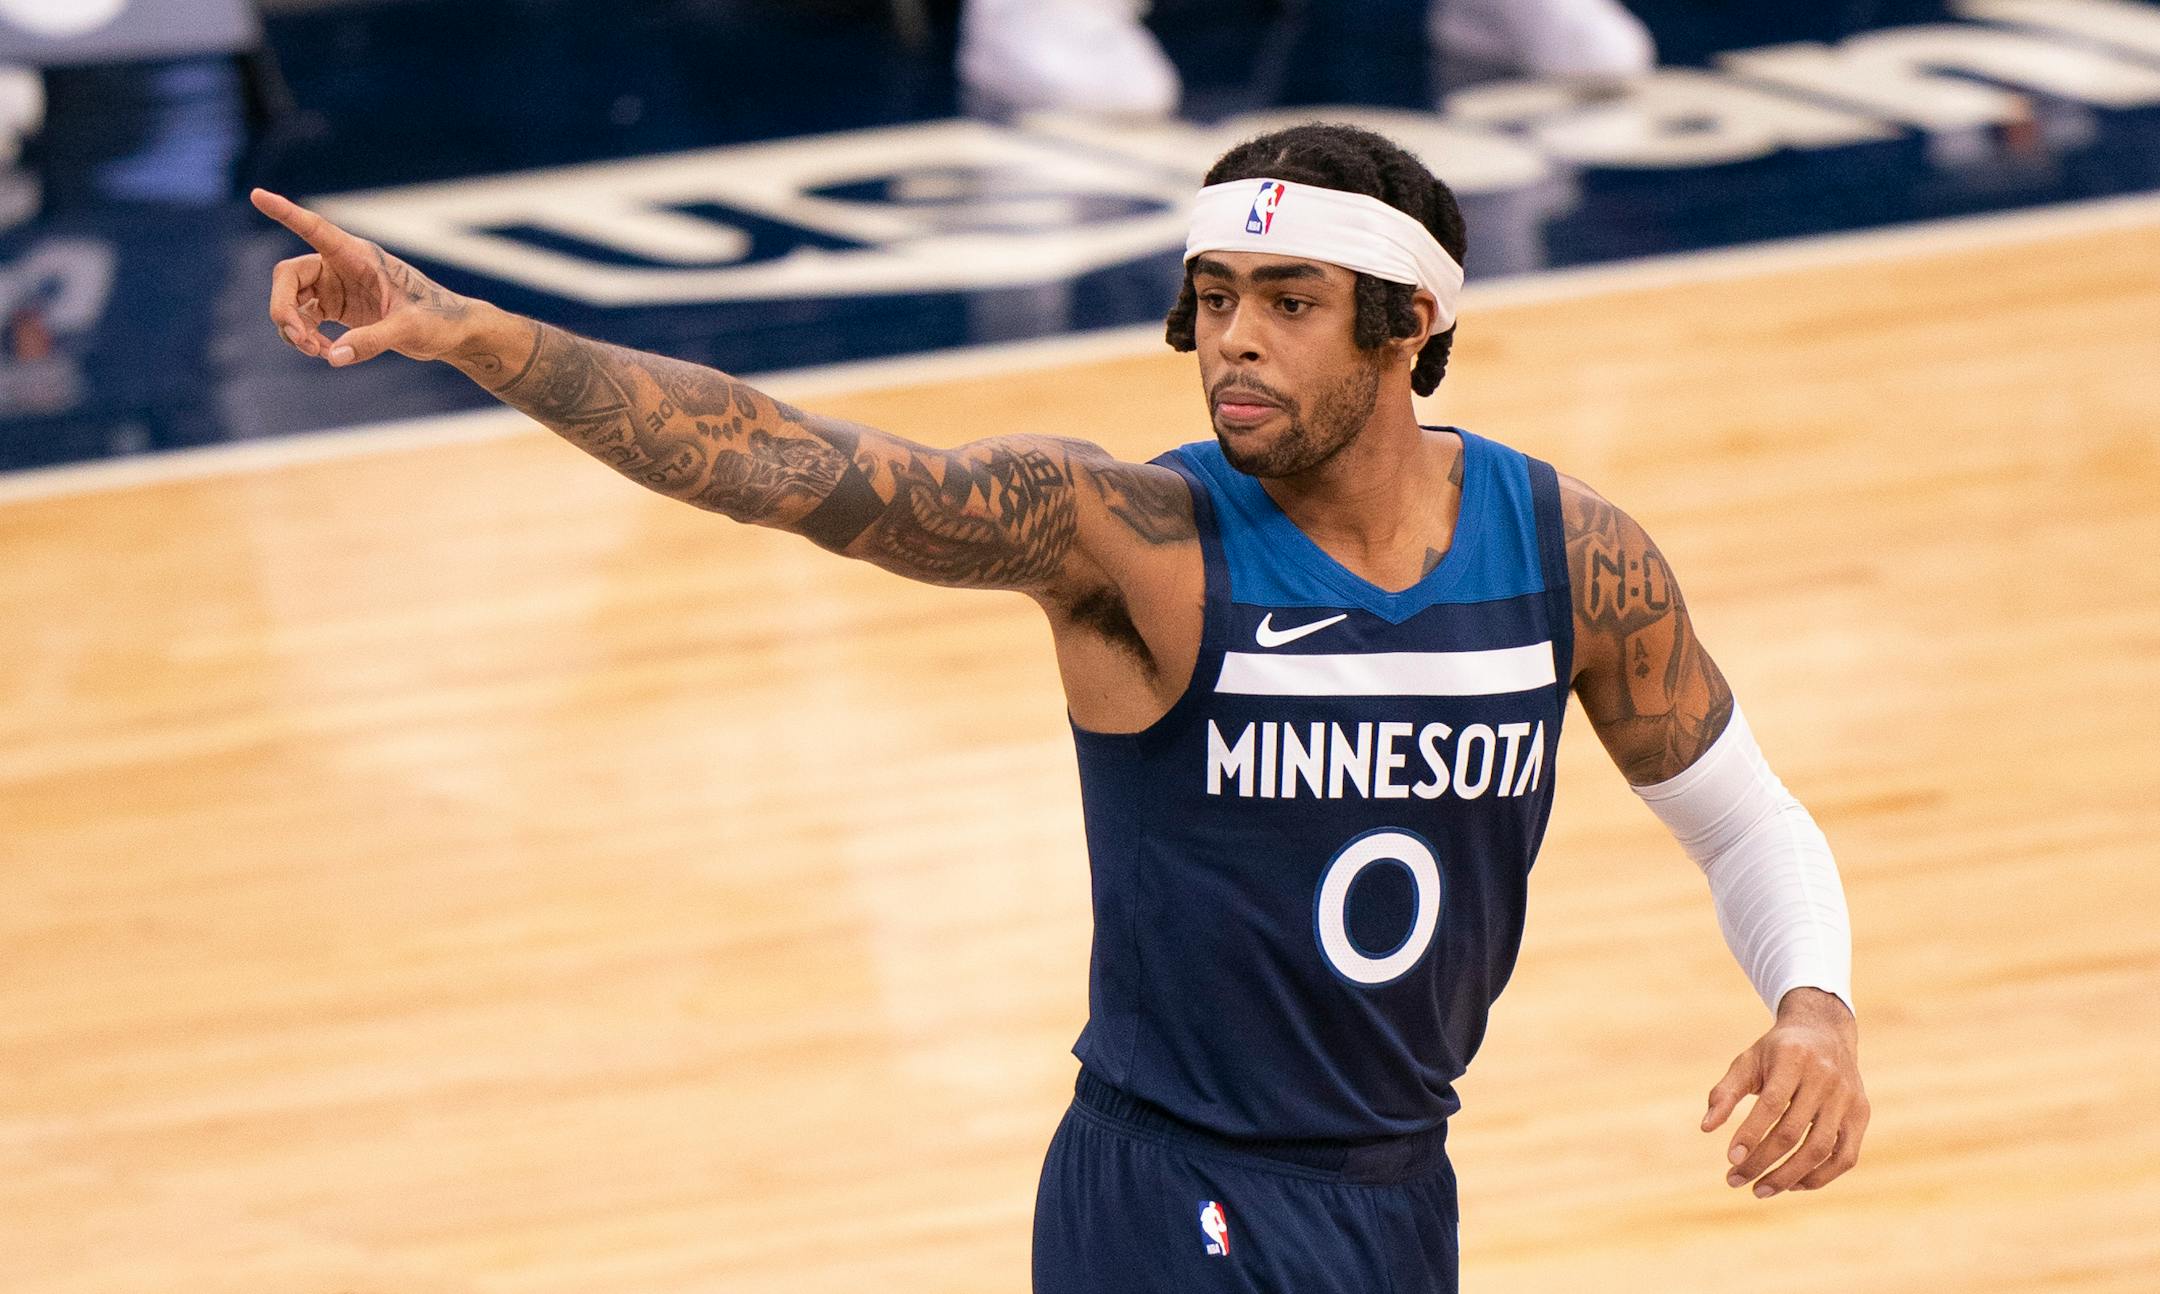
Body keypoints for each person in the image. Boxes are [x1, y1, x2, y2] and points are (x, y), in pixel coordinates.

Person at [252, 120, 1867, 1292]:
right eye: (1216, 295)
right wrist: (476, 334)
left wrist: (1814, 1002)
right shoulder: (1137, 542)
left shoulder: (1568, 551)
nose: (1232, 339)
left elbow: (1741, 815)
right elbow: (783, 461)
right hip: (1170, 1190)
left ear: (1409, 324)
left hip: (1397, 1192)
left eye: (1288, 302)